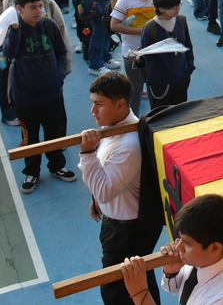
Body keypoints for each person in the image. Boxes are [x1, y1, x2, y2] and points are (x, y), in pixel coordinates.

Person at [79, 72, 163, 305]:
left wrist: (87, 153)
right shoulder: (113, 128)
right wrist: (97, 200)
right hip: (121, 223)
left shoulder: (128, 145)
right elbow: (107, 179)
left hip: (126, 232)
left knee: (117, 290)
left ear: (120, 104)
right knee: (140, 276)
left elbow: (107, 190)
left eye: (99, 105)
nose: (93, 111)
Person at [121, 194, 223, 305]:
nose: (178, 246)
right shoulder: (216, 253)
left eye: (187, 243)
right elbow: (182, 289)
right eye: (180, 238)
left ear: (215, 248)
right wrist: (172, 272)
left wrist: (140, 294)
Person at [2, 0, 75, 194]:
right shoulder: (14, 29)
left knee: (55, 133)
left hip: (52, 93)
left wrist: (59, 75)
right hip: (25, 97)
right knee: (29, 137)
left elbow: (61, 52)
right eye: (32, 7)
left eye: (40, 6)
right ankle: (31, 171)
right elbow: (9, 53)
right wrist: (15, 30)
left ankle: (57, 166)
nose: (38, 11)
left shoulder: (49, 26)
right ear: (19, 9)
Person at [109, 0, 160, 114]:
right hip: (133, 53)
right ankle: (134, 123)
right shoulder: (126, 0)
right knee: (135, 90)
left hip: (155, 52)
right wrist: (143, 31)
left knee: (156, 88)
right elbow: (114, 25)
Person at [139, 0, 195, 109]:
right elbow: (146, 57)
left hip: (181, 77)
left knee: (180, 113)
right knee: (160, 116)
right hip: (160, 82)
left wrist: (189, 68)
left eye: (178, 5)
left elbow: (188, 46)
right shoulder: (150, 28)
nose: (178, 9)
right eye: (173, 7)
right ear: (161, 9)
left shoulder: (181, 20)